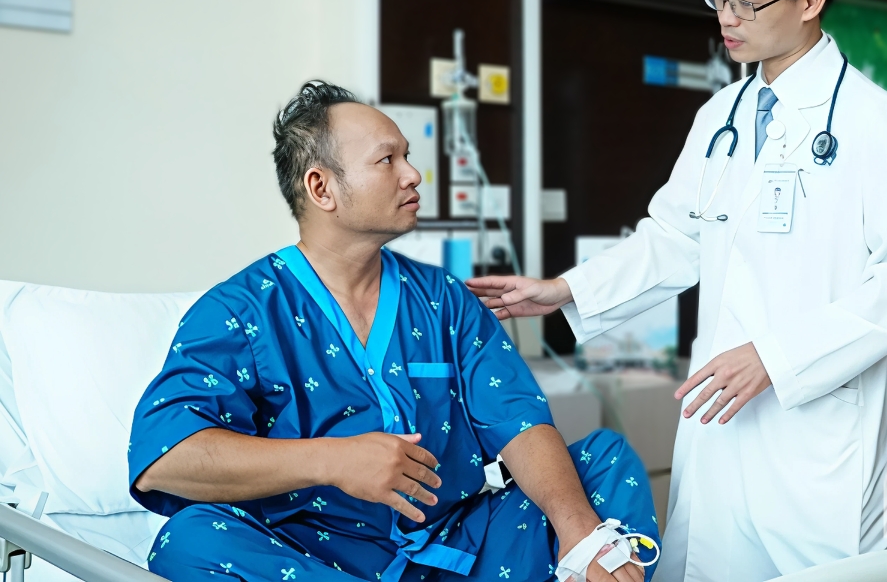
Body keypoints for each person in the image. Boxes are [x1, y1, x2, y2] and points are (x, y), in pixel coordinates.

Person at [467, 0, 887, 581]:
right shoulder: (721, 115)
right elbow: (674, 238)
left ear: (809, 0)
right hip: (721, 424)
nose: (725, 17)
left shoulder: (872, 120)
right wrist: (565, 290)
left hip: (813, 436)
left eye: (745, 2)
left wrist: (777, 358)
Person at [128, 82, 660, 582]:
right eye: (388, 160)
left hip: (459, 545)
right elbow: (164, 460)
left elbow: (519, 422)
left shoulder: (443, 299)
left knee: (602, 463)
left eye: (407, 156)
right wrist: (333, 460)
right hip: (313, 558)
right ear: (322, 187)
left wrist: (579, 534)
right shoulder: (242, 311)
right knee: (189, 540)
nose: (413, 175)